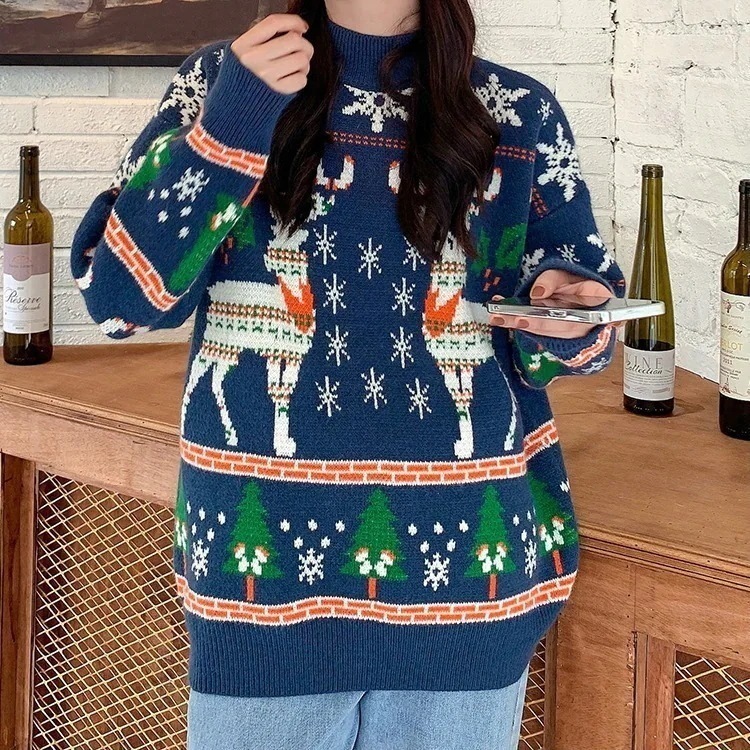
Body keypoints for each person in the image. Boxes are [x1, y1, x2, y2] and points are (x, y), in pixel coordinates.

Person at [70, 1, 625, 747]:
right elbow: (119, 302)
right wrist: (233, 121)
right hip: (259, 587)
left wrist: (570, 309)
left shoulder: (517, 112)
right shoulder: (220, 83)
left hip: (468, 581)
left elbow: (580, 329)